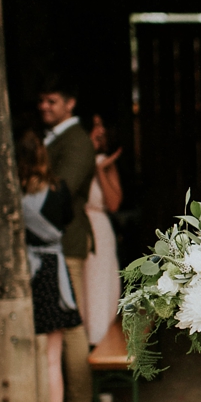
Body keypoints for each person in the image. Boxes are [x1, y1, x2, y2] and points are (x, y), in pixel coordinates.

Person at [17, 131, 82, 402]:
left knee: (25, 359)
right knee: (52, 361)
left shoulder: (11, 195)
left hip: (23, 275)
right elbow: (68, 220)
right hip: (52, 275)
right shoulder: (59, 191)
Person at [38, 89, 96, 402]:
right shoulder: (58, 138)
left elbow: (62, 191)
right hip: (51, 241)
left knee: (71, 321)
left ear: (71, 102)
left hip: (66, 239)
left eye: (52, 101)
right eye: (42, 101)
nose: (44, 106)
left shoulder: (76, 141)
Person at [83, 114, 122, 346]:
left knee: (100, 286)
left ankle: (101, 341)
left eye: (102, 126)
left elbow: (114, 203)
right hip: (80, 229)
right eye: (94, 125)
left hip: (100, 228)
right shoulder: (75, 163)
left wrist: (100, 170)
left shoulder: (107, 165)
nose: (99, 131)